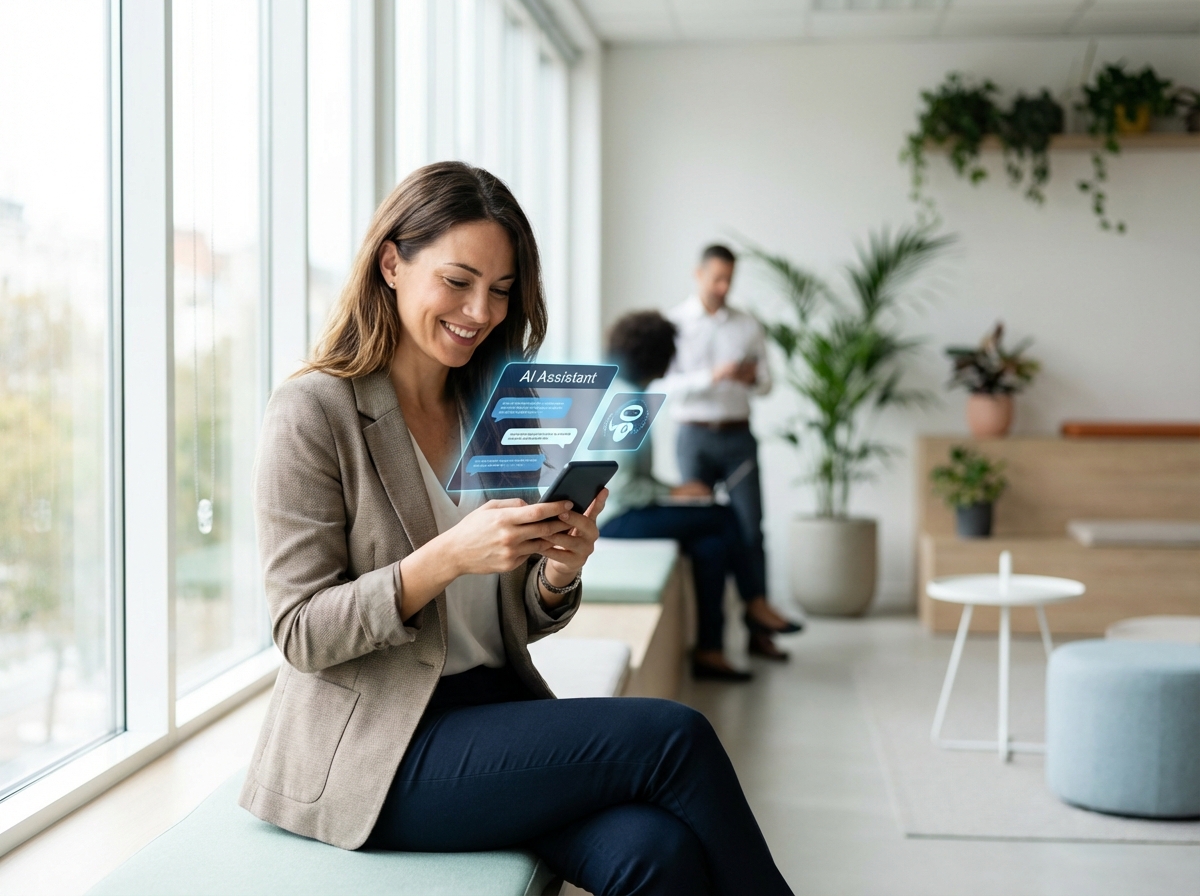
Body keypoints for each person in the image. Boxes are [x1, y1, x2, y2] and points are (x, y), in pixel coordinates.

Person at [240, 161, 792, 896]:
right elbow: (301, 631)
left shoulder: (492, 409)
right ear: (392, 263)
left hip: (490, 713)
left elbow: (515, 620)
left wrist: (558, 571)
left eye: (502, 290)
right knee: (675, 736)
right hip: (381, 747)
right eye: (459, 280)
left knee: (657, 857)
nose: (482, 311)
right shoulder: (314, 411)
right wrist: (444, 560)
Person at [597, 311, 787, 682]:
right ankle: (755, 601)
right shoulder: (629, 403)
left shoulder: (627, 393)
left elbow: (631, 475)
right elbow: (624, 488)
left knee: (712, 544)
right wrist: (674, 491)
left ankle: (710, 651)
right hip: (618, 518)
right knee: (722, 514)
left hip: (625, 511)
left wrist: (673, 491)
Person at [663, 245, 802, 661]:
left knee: (750, 529)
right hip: (694, 437)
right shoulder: (674, 324)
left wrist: (751, 377)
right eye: (717, 278)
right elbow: (663, 387)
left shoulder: (747, 325)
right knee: (707, 534)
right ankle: (711, 641)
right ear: (698, 273)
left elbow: (767, 386)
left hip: (738, 437)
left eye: (729, 280)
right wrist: (713, 376)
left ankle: (759, 629)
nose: (723, 287)